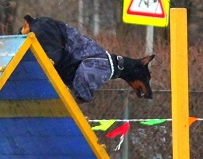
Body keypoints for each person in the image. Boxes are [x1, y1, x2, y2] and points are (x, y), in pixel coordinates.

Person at [19, 14, 154, 104]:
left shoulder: (102, 59)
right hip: (49, 32)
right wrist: (81, 98)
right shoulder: (104, 66)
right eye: (145, 80)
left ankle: (26, 29)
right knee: (51, 61)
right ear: (137, 70)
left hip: (41, 27)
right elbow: (85, 73)